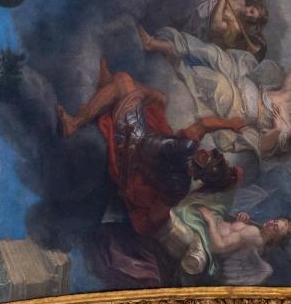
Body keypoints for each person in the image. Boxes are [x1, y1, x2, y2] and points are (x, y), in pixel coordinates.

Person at [56, 58, 248, 238]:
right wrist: (230, 124)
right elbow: (155, 217)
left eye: (207, 156)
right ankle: (106, 90)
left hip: (131, 140)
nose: (205, 151)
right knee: (158, 97)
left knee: (123, 81)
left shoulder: (186, 153)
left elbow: (152, 220)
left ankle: (75, 122)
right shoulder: (180, 186)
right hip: (134, 152)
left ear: (202, 166)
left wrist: (230, 124)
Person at [139, 24, 291, 164]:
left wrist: (276, 130)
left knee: (216, 82)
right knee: (213, 53)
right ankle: (156, 43)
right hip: (242, 79)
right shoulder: (288, 95)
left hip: (238, 105)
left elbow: (262, 146)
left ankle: (172, 56)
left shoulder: (286, 128)